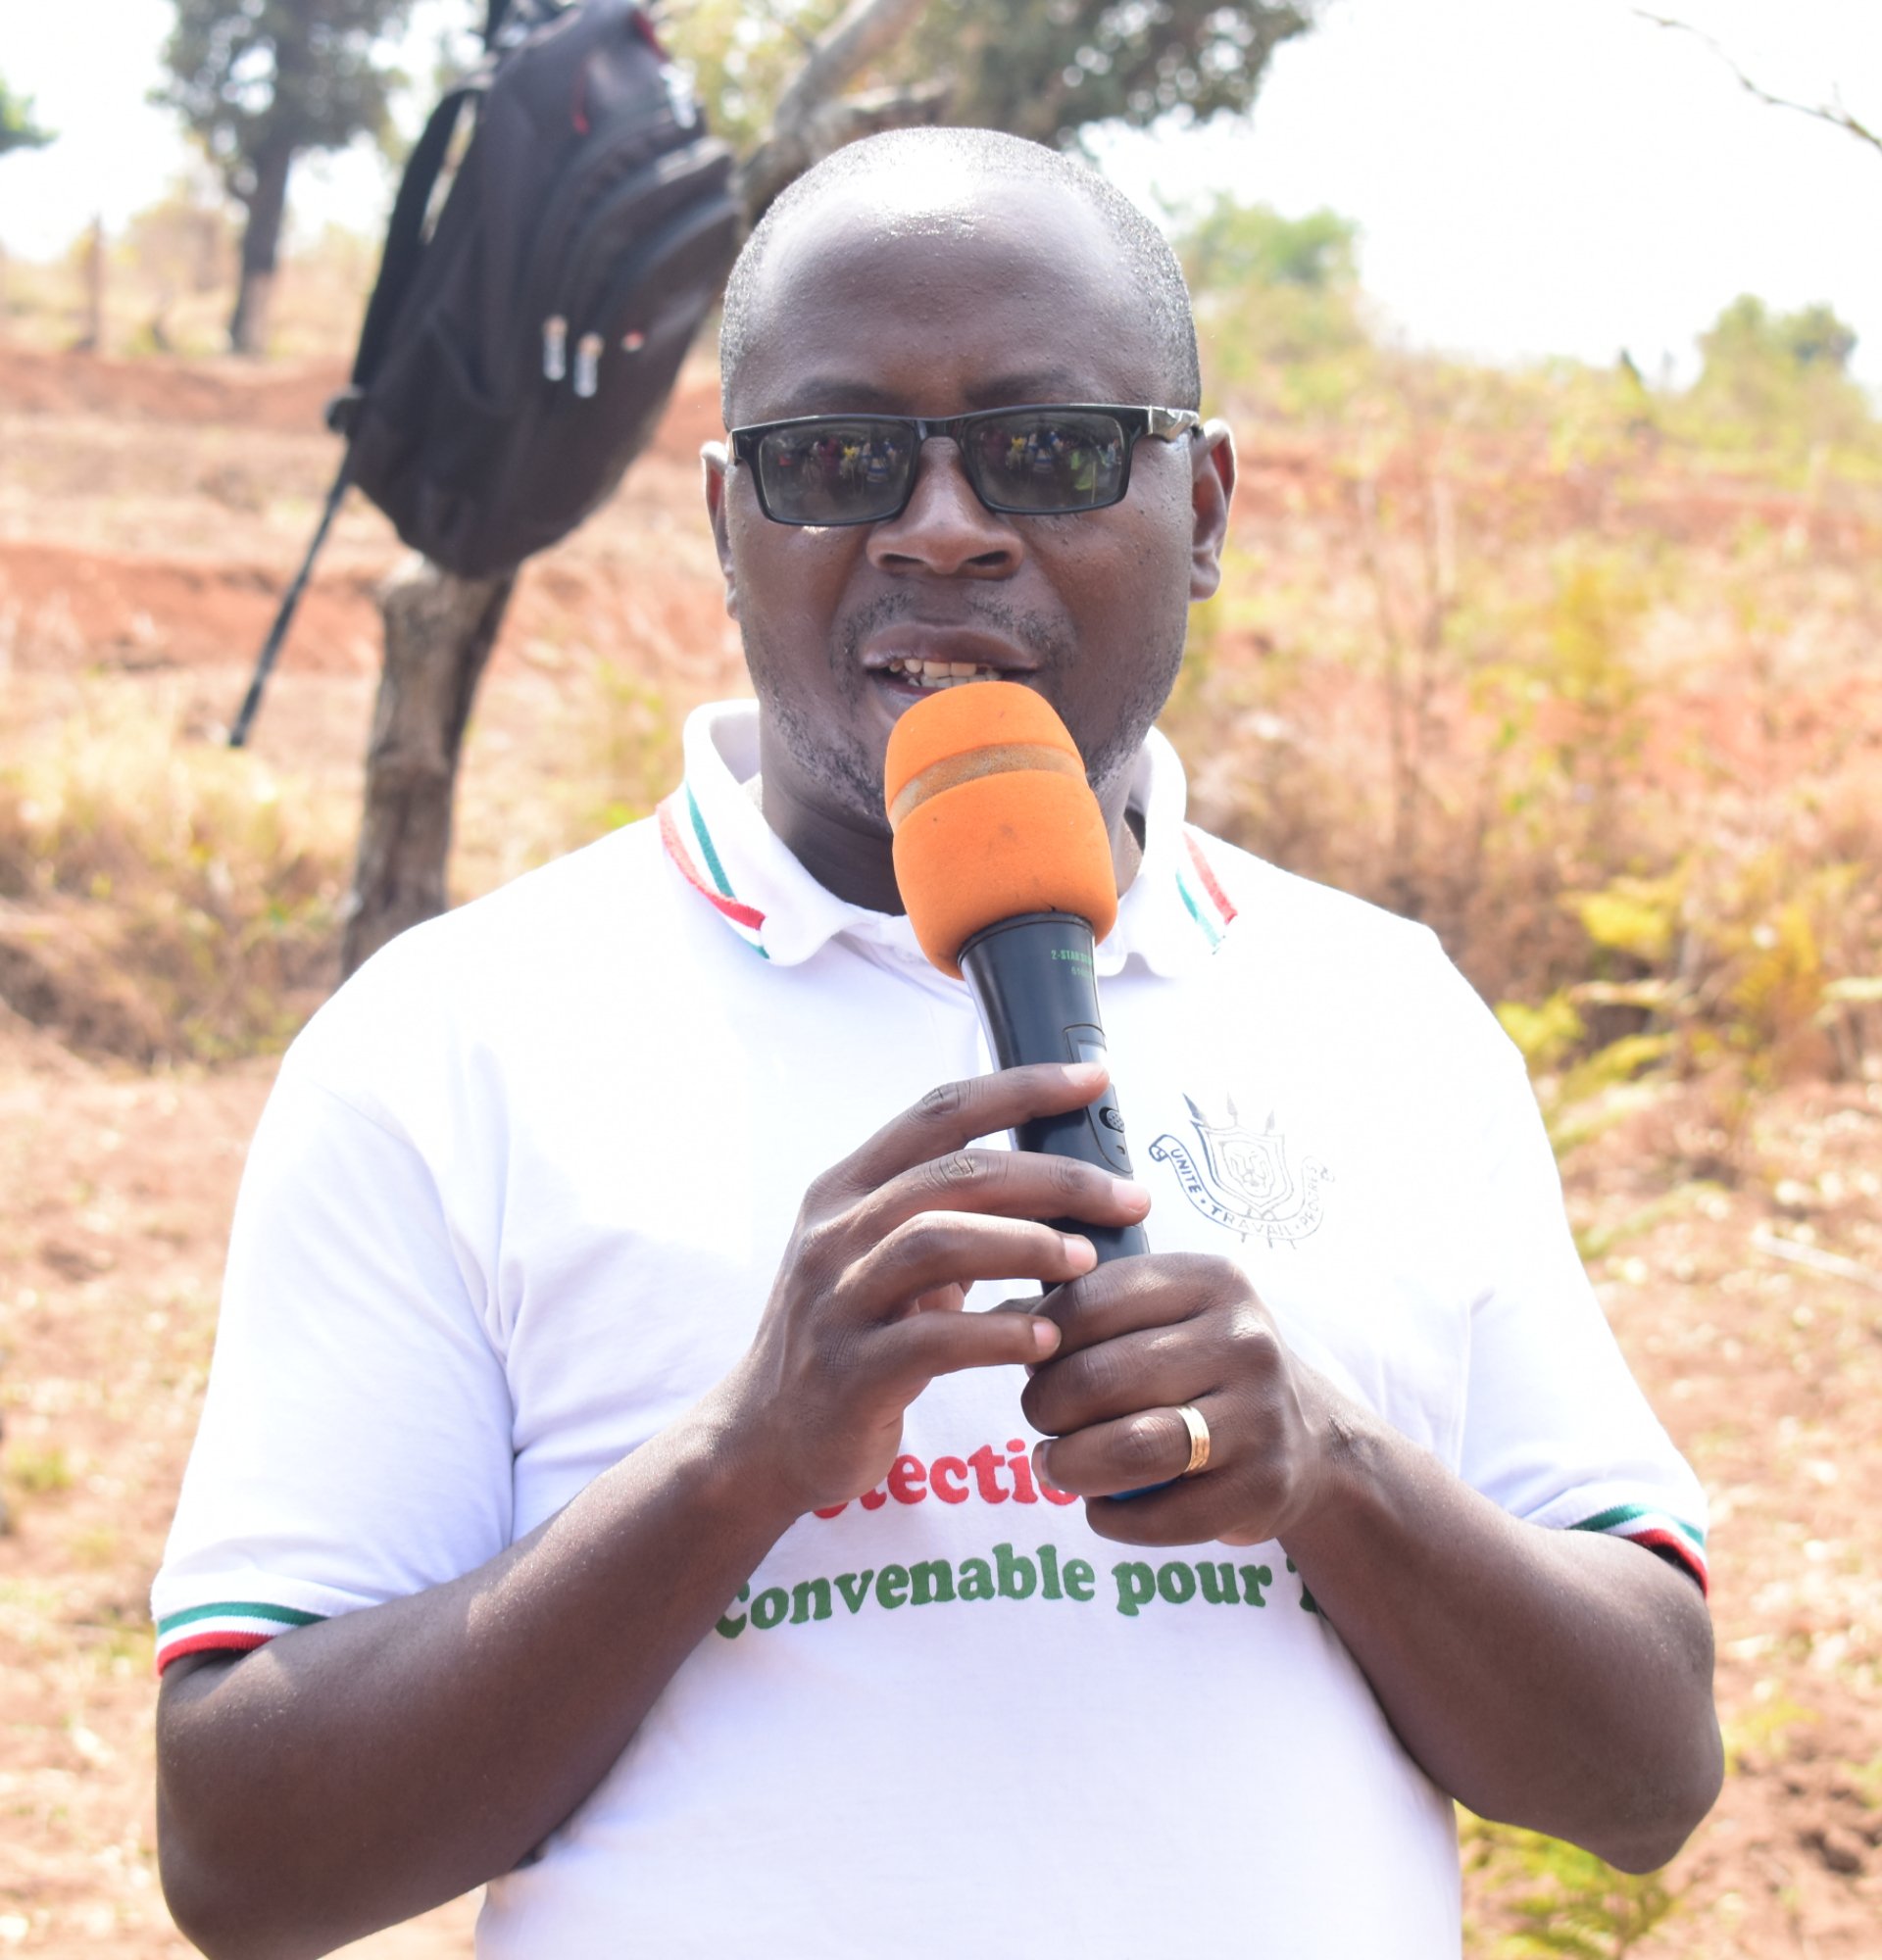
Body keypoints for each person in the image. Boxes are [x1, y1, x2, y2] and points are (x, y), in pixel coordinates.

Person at [152, 128, 1721, 1959]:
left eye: (1050, 449)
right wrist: (739, 1461)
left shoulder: (1388, 1017)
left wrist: (1335, 1471)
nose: (945, 525)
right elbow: (247, 1865)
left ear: (1206, 506)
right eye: (840, 461)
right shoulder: (453, 1043)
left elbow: (1647, 1778)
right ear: (727, 526)